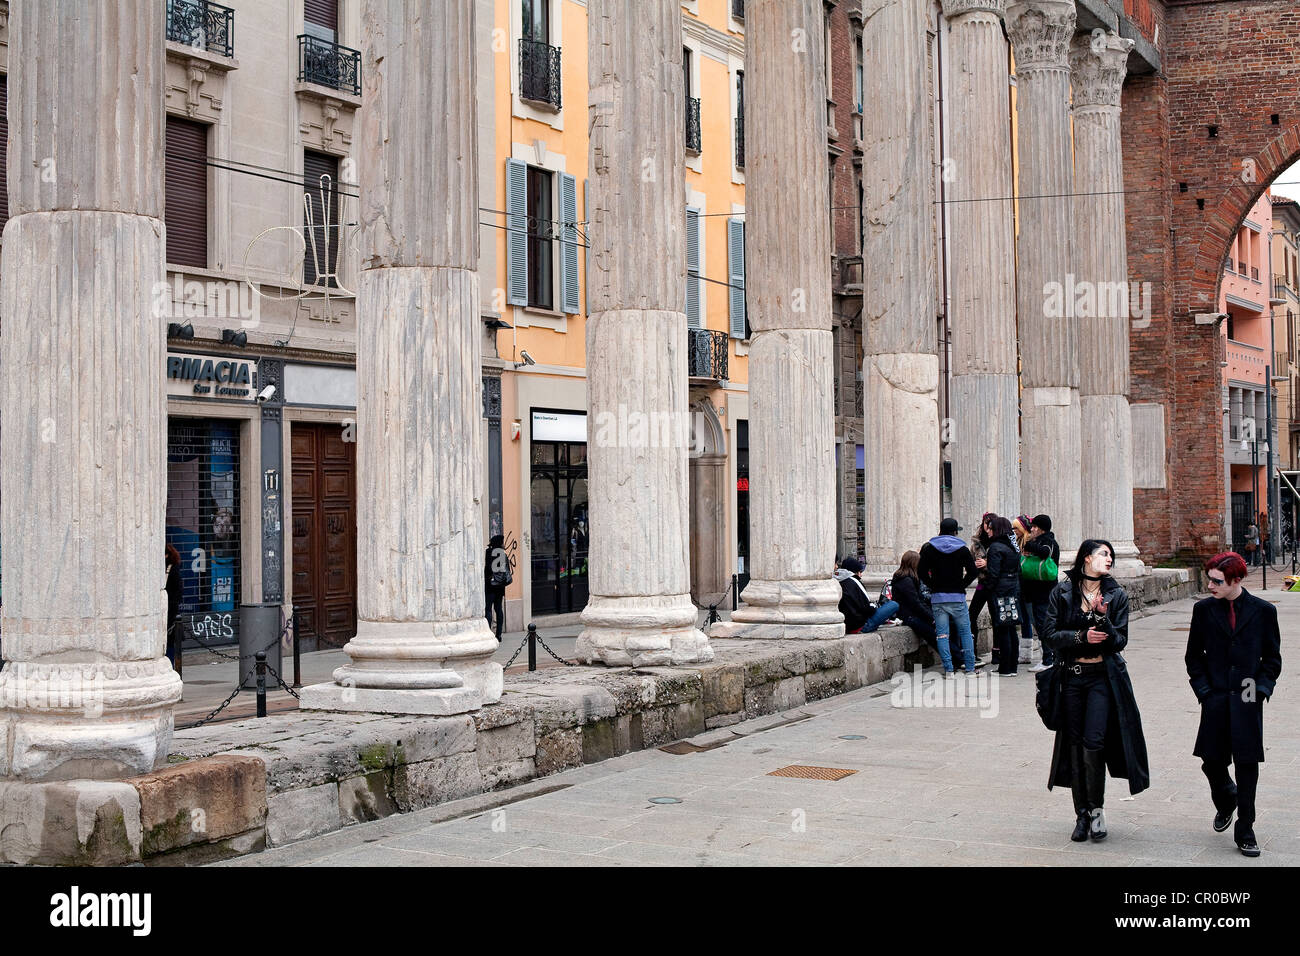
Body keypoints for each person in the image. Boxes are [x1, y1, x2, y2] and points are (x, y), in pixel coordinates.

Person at [1042, 539, 1150, 843]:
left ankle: (1097, 809)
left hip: (1103, 678)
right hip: (1072, 678)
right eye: (1104, 554)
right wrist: (1081, 635)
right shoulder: (1062, 592)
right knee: (1075, 745)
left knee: (1094, 742)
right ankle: (1081, 814)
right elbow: (1050, 635)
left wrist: (1102, 618)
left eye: (1112, 555)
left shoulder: (1115, 595)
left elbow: (1119, 642)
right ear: (1087, 558)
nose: (1110, 559)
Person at [1185, 552, 1282, 858]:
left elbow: (1272, 660)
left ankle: (1246, 828)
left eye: (1216, 581)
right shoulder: (1203, 610)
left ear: (1235, 580)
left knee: (1247, 764)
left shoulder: (1263, 611)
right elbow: (1193, 657)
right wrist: (1203, 691)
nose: (1210, 585)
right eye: (1209, 579)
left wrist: (1261, 690)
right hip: (1214, 696)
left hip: (1248, 696)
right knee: (1211, 761)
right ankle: (1227, 798)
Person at [918, 518, 980, 675]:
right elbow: (973, 572)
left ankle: (949, 670)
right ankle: (970, 668)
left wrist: (933, 585)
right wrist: (961, 585)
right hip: (957, 597)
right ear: (955, 532)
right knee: (965, 632)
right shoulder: (962, 549)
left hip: (938, 598)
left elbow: (921, 572)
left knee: (942, 635)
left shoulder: (929, 549)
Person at [984, 516, 1023, 676]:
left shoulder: (996, 547)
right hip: (1013, 588)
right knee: (1011, 627)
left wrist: (987, 588)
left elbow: (993, 573)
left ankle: (1005, 667)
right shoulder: (1013, 547)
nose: (988, 532)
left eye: (991, 528)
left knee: (1003, 629)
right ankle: (1012, 666)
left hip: (1000, 590)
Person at [1024, 514, 1061, 674]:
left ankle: (1048, 659)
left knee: (1044, 625)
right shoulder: (1040, 541)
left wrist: (1029, 546)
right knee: (1041, 625)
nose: (1031, 530)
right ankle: (1048, 657)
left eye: (1033, 527)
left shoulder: (1048, 542)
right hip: (1036, 592)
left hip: (1044, 592)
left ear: (1038, 528)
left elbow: (1045, 553)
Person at [834, 557, 900, 633]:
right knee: (894, 604)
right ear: (856, 572)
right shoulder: (854, 581)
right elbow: (867, 608)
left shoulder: (836, 581)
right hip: (861, 625)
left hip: (846, 626)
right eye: (860, 572)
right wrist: (875, 606)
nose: (861, 575)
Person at [891, 550, 937, 654]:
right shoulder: (906, 581)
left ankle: (959, 657)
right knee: (935, 635)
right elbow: (916, 603)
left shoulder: (909, 579)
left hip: (913, 614)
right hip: (910, 616)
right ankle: (958, 659)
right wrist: (932, 618)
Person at [968, 513, 997, 656]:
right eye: (986, 523)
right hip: (982, 583)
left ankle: (997, 652)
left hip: (995, 584)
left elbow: (1004, 563)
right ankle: (972, 650)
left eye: (991, 523)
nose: (988, 526)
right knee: (971, 614)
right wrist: (973, 565)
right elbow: (969, 562)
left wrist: (987, 563)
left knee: (996, 616)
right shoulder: (976, 543)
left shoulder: (999, 541)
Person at [484, 534, 511, 642]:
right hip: (500, 585)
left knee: (488, 609)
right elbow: (506, 569)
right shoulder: (502, 554)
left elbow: (488, 568)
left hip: (490, 585)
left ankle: (488, 633)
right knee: (498, 609)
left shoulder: (489, 552)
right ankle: (498, 634)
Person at [164, 544, 182, 666]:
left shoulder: (172, 569)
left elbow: (178, 590)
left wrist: (172, 606)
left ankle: (170, 664)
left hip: (170, 609)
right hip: (166, 607)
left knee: (169, 639)